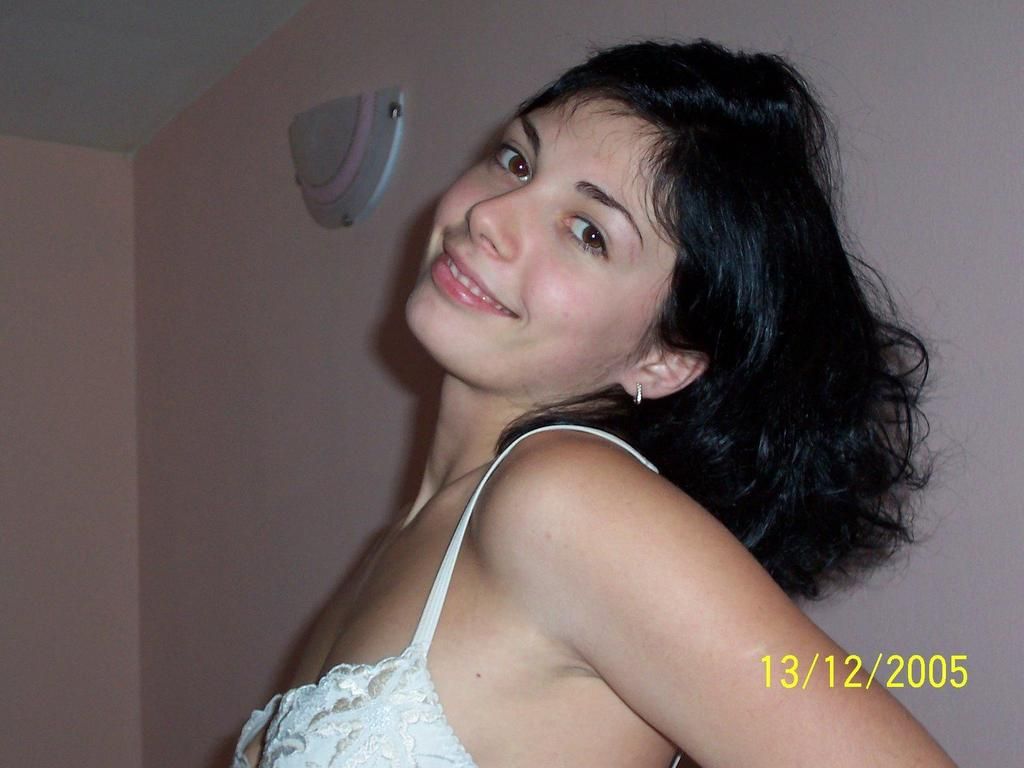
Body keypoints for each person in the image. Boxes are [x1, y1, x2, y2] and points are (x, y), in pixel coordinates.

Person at [234, 39, 955, 767]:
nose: (492, 215)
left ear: (663, 359)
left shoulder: (560, 499)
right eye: (517, 161)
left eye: (588, 233)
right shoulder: (402, 539)